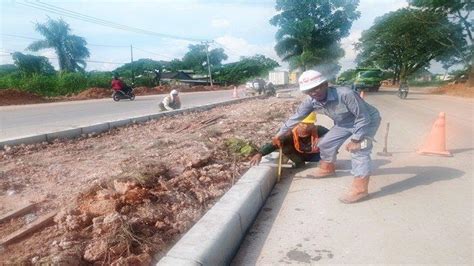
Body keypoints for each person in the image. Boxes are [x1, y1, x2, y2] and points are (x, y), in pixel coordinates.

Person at [275, 70, 381, 204]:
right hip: (344, 123)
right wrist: (280, 133)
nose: (314, 92)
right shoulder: (311, 101)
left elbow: (363, 117)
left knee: (359, 150)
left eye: (317, 87)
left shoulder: (345, 94)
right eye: (309, 90)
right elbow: (296, 117)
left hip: (368, 121)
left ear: (325, 84)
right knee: (325, 143)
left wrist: (356, 140)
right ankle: (328, 169)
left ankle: (360, 190)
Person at [250, 113, 329, 168]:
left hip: (315, 156)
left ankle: (325, 162)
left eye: (309, 124)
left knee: (330, 142)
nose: (306, 127)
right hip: (299, 156)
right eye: (303, 123)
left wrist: (323, 140)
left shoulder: (320, 130)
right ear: (298, 123)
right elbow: (274, 144)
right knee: (283, 143)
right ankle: (299, 164)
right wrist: (260, 153)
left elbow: (336, 137)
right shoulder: (289, 133)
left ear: (313, 124)